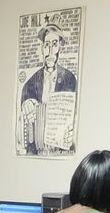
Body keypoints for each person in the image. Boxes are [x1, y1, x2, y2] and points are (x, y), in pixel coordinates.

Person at [19, 23, 77, 156]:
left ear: (60, 47)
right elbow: (25, 97)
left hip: (60, 149)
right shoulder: (32, 81)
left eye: (54, 44)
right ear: (42, 48)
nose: (50, 51)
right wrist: (26, 103)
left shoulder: (69, 79)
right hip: (35, 149)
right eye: (47, 45)